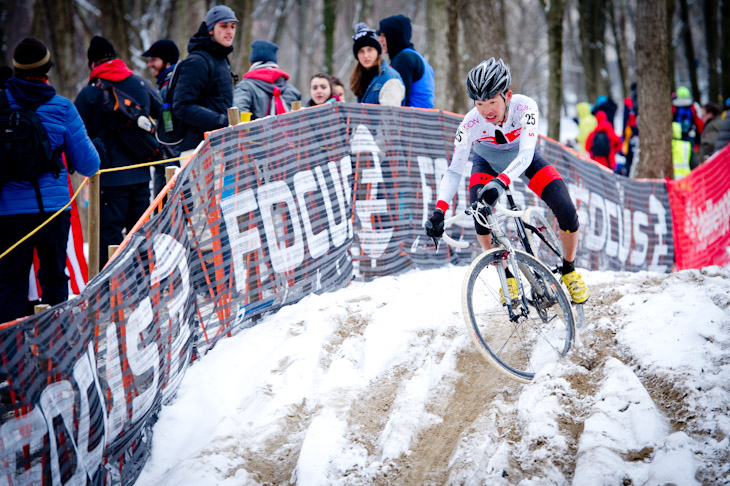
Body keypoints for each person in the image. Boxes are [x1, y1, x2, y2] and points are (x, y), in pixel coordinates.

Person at [424, 58, 589, 304]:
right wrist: (439, 210)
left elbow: (526, 154)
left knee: (565, 208)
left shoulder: (526, 107)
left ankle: (569, 270)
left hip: (525, 159)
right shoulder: (469, 123)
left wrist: (501, 182)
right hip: (487, 162)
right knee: (481, 216)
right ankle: (507, 275)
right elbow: (455, 170)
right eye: (479, 103)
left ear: (507, 95)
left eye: (492, 102)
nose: (486, 110)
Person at [0, 38, 100, 322]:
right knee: (54, 277)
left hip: (7, 213)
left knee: (9, 283)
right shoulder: (62, 108)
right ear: (47, 69)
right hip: (52, 211)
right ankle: (56, 348)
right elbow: (90, 165)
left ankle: (11, 357)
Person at [75, 35, 162, 268]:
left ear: (93, 64)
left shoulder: (89, 94)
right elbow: (163, 110)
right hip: (142, 176)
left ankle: (111, 294)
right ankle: (144, 287)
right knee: (141, 236)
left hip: (108, 181)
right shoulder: (140, 83)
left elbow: (76, 135)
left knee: (109, 239)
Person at [174, 5, 238, 152]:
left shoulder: (221, 59)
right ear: (210, 30)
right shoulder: (197, 61)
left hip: (219, 144)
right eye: (224, 26)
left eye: (233, 27)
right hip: (197, 149)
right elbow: (182, 107)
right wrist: (222, 121)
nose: (230, 31)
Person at [142, 38, 180, 195]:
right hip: (167, 155)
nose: (150, 64)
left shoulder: (172, 85)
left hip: (170, 157)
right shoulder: (165, 83)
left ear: (168, 62)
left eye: (154, 60)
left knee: (165, 207)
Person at [232, 39, 301, 120]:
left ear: (251, 63)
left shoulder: (245, 87)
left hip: (255, 132)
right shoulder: (293, 92)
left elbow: (237, 114)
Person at [377, 14, 434, 108]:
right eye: (379, 35)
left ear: (394, 36)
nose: (380, 39)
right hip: (424, 118)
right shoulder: (417, 57)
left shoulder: (403, 59)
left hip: (413, 119)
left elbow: (399, 99)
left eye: (384, 35)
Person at [349, 22, 404, 106]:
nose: (366, 55)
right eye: (361, 51)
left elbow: (390, 116)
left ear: (377, 51)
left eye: (370, 49)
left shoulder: (390, 79)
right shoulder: (361, 78)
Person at [619, 96, 639, 176]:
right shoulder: (636, 102)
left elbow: (625, 121)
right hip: (633, 134)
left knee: (629, 159)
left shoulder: (628, 104)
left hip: (630, 134)